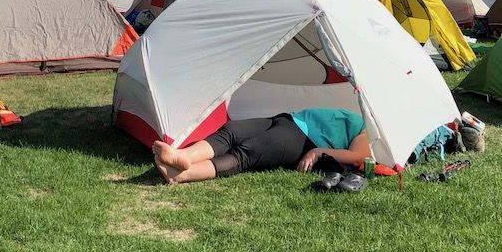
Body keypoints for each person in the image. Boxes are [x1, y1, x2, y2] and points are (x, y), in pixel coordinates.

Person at [151, 107, 370, 184]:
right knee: (232, 130)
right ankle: (184, 156)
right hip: (289, 119)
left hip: (303, 141)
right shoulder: (365, 116)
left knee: (247, 153)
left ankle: (181, 174)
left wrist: (317, 151)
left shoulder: (371, 133)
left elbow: (357, 156)